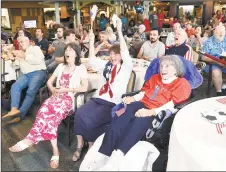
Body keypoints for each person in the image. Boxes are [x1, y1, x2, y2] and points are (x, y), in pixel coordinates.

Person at [83, 55, 191, 171]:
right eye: (161, 66)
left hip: (156, 110)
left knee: (136, 125)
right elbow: (143, 93)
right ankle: (102, 155)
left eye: (167, 66)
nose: (162, 69)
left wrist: (151, 112)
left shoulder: (181, 83)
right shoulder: (155, 78)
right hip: (142, 103)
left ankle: (116, 159)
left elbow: (173, 105)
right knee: (119, 119)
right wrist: (133, 98)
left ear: (176, 69)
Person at [8, 43, 88, 169]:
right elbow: (49, 81)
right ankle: (49, 147)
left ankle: (38, 143)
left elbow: (84, 87)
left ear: (76, 54)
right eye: (66, 50)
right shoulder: (61, 66)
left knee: (52, 115)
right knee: (44, 110)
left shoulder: (81, 68)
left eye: (71, 50)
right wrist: (53, 89)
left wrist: (66, 89)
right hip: (57, 97)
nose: (67, 52)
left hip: (70, 99)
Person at [72, 18, 133, 162]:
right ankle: (80, 145)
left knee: (90, 120)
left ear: (121, 57)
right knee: (79, 113)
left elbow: (124, 50)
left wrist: (119, 30)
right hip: (98, 98)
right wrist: (92, 42)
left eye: (115, 54)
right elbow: (92, 60)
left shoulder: (125, 68)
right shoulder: (107, 66)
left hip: (112, 102)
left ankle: (92, 146)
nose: (112, 56)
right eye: (111, 54)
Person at [2, 36, 47, 123]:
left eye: (22, 42)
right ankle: (13, 110)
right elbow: (16, 65)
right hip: (26, 75)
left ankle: (20, 115)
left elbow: (39, 60)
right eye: (19, 42)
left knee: (30, 91)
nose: (20, 44)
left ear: (29, 42)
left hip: (39, 72)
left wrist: (25, 56)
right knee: (15, 86)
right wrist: (12, 58)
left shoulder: (35, 48)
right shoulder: (20, 52)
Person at [201, 24, 226, 96]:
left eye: (223, 32)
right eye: (219, 32)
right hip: (212, 63)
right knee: (216, 72)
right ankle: (219, 91)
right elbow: (203, 57)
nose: (221, 34)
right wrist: (217, 61)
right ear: (215, 32)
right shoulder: (208, 42)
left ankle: (224, 86)